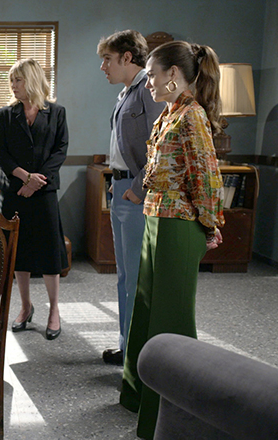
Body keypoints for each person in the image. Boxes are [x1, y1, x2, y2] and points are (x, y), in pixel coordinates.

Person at [119, 41, 225, 439]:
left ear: (173, 75)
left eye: (151, 74)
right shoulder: (170, 113)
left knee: (171, 320)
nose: (147, 82)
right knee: (146, 312)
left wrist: (210, 225)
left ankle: (173, 418)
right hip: (156, 220)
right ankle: (138, 398)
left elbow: (206, 177)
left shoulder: (192, 116)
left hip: (178, 226)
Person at [97, 30, 166, 365]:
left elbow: (160, 149)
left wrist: (137, 190)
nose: (103, 67)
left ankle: (138, 354)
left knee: (136, 279)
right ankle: (127, 346)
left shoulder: (147, 93)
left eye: (107, 59)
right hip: (121, 190)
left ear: (127, 57)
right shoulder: (126, 93)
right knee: (125, 277)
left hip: (138, 196)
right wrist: (117, 181)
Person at [0, 58, 68, 340]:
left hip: (44, 191)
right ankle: (25, 307)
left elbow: (60, 150)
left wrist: (36, 182)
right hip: (14, 191)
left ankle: (54, 310)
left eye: (18, 80)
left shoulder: (56, 112)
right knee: (18, 251)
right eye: (11, 80)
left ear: (32, 80)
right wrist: (25, 178)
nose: (13, 85)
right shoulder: (5, 114)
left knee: (49, 251)